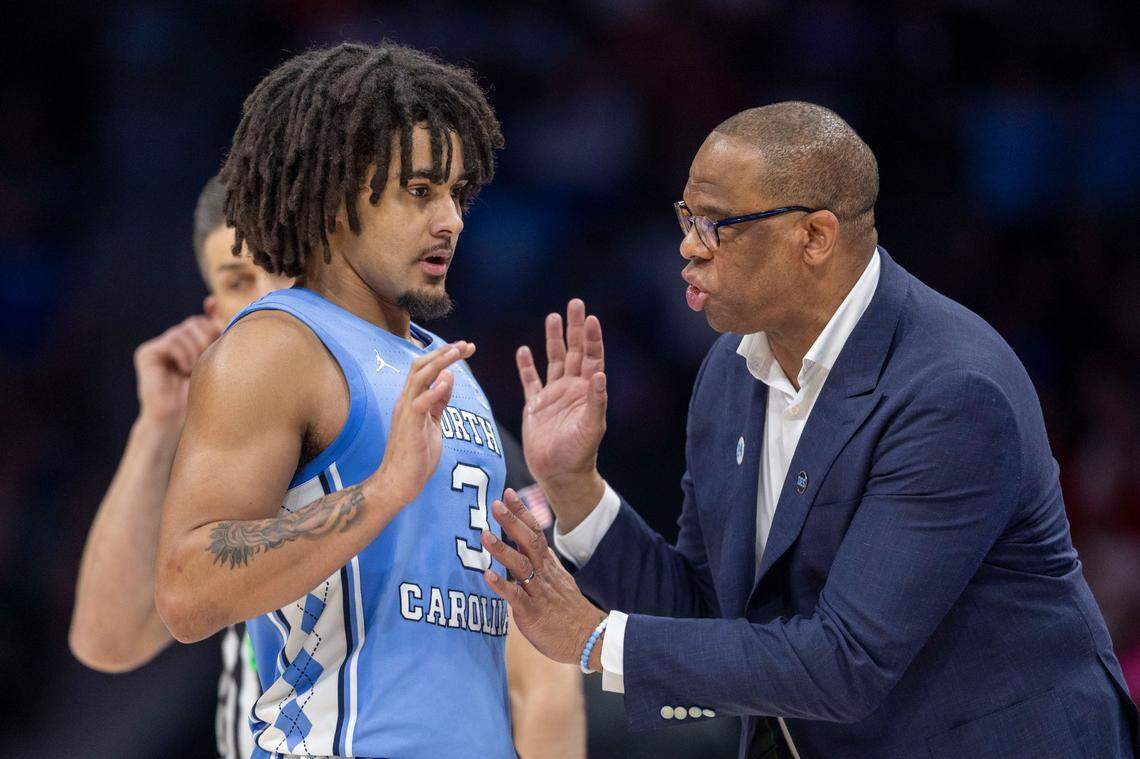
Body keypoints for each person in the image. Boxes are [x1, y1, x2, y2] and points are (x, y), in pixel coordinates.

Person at [479, 102, 1140, 758]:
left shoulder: (951, 391)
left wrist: (597, 638)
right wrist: (576, 491)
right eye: (686, 218)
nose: (687, 245)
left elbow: (846, 662)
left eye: (717, 224)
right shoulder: (729, 372)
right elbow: (710, 614)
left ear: (815, 238)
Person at [154, 43, 582, 759]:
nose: (452, 219)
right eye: (420, 191)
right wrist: (380, 492)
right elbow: (186, 588)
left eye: (457, 192)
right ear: (336, 197)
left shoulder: (445, 368)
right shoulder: (277, 346)